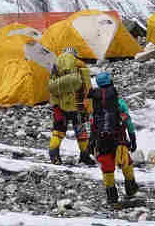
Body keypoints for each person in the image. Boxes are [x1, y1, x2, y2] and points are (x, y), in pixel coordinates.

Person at [87, 68, 140, 207]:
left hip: (101, 141)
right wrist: (133, 139)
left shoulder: (95, 106)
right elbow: (128, 122)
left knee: (107, 167)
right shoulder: (119, 103)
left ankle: (111, 196)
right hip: (119, 140)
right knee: (126, 163)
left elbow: (93, 126)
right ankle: (131, 189)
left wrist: (90, 144)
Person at [46, 47, 92, 164]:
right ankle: (85, 156)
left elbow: (52, 87)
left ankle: (54, 156)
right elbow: (87, 86)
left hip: (60, 105)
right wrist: (89, 106)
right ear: (75, 55)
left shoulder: (56, 64)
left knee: (58, 131)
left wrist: (55, 104)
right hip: (78, 105)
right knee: (81, 131)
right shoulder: (80, 64)